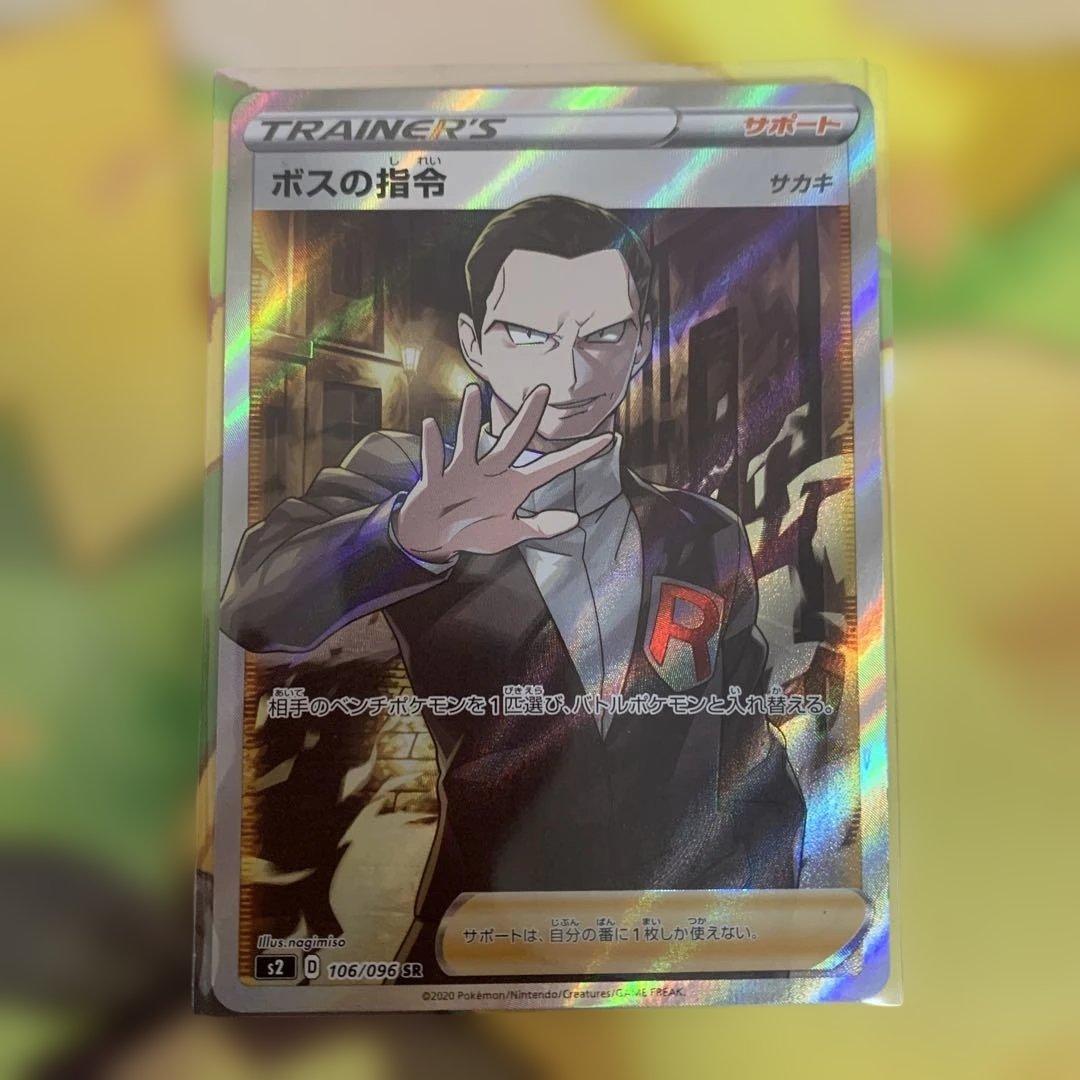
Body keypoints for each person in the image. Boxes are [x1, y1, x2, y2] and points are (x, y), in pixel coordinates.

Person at [221, 195, 805, 978]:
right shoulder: (418, 483)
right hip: (491, 940)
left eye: (602, 336)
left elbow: (749, 755)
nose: (569, 372)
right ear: (475, 344)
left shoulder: (703, 533)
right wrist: (406, 536)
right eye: (529, 335)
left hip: (675, 949)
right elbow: (254, 604)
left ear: (639, 343)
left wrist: (760, 942)